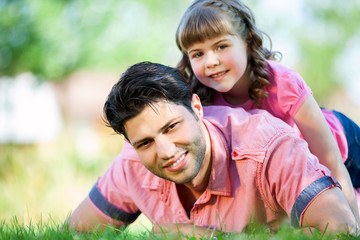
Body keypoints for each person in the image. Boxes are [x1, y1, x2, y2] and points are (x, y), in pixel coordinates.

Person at [67, 62, 358, 237]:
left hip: (345, 147)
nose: (166, 151)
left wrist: (211, 239)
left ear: (196, 108)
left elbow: (341, 229)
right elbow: (74, 234)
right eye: (145, 142)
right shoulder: (131, 164)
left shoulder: (266, 147)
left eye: (171, 127)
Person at [175, 0, 360, 223]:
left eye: (221, 46)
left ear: (246, 41)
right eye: (197, 54)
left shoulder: (283, 83)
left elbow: (331, 164)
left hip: (344, 146)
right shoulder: (203, 102)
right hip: (303, 167)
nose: (211, 61)